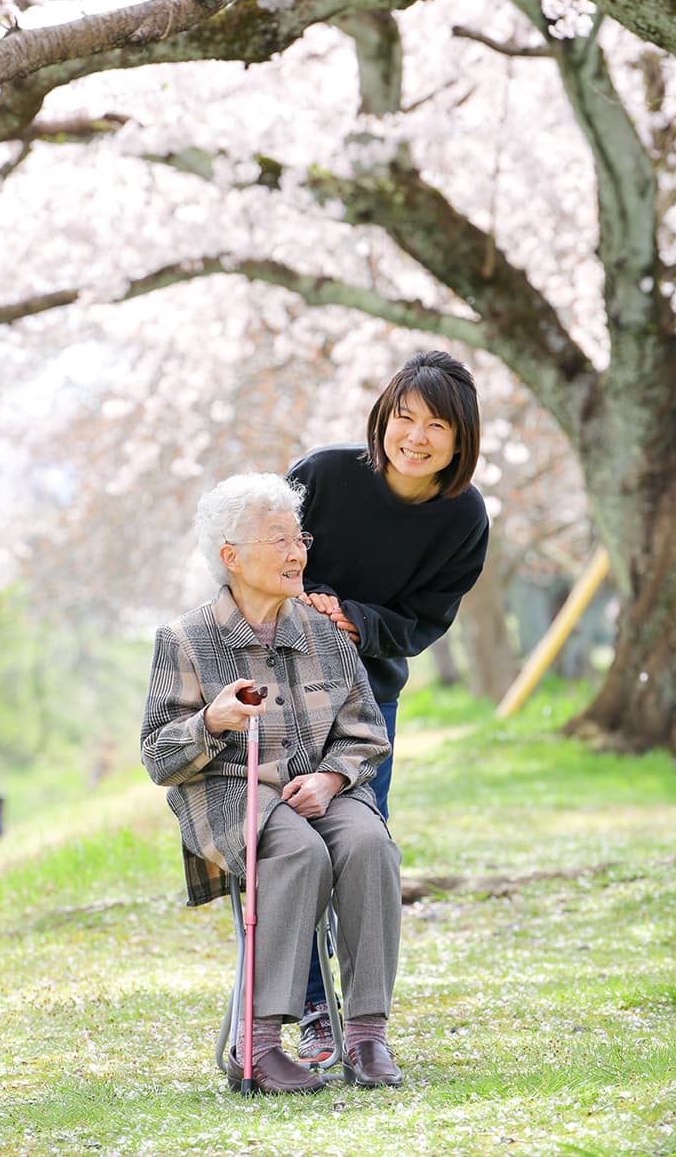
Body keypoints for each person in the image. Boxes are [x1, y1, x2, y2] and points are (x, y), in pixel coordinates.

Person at [141, 473, 403, 1095]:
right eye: (278, 539)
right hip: (228, 792)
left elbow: (365, 730)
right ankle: (254, 1045)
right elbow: (157, 756)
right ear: (231, 556)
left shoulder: (324, 633)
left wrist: (333, 776)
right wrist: (211, 720)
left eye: (299, 537)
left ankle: (367, 1037)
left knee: (370, 845)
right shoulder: (183, 639)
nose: (296, 553)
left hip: (317, 787)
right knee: (297, 849)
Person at [287, 349, 489, 1062]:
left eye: (437, 425)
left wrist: (357, 621)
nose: (416, 436)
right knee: (296, 844)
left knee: (362, 840)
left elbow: (428, 619)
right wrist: (301, 609)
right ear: (384, 415)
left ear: (461, 440)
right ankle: (313, 1011)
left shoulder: (463, 517)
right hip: (282, 691)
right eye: (406, 416)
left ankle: (365, 1019)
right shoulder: (323, 475)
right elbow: (259, 559)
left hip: (367, 700)